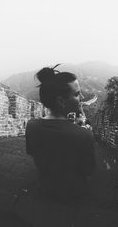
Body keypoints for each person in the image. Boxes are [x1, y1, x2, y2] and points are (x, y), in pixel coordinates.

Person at [25, 64, 96, 200]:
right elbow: (89, 169)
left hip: (45, 191)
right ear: (61, 101)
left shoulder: (31, 126)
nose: (81, 97)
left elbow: (33, 154)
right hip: (75, 195)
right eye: (76, 94)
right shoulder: (84, 135)